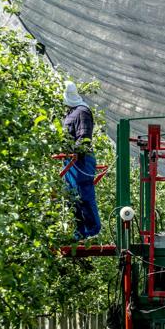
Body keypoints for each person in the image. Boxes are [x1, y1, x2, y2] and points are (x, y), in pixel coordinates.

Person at [62, 81, 101, 239]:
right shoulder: (70, 113)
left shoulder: (82, 111)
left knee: (84, 194)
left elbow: (84, 138)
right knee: (72, 196)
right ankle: (79, 232)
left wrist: (73, 151)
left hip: (81, 160)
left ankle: (93, 230)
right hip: (70, 161)